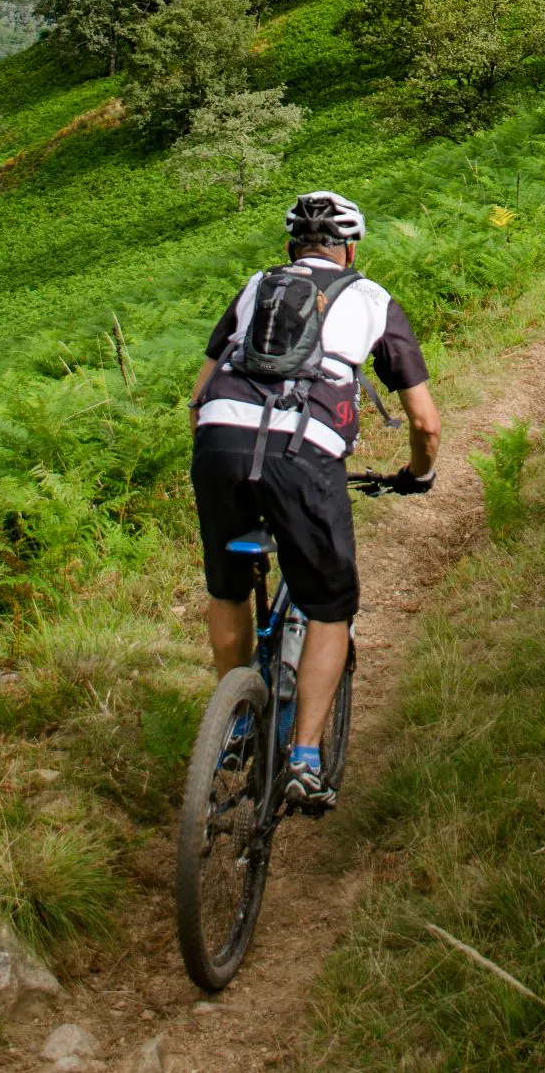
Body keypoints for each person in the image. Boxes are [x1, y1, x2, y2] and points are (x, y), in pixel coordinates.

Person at [188, 189, 441, 814]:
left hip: (219, 441)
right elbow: (426, 423)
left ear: (289, 250)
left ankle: (236, 718)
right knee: (328, 605)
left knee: (227, 588)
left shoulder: (255, 287)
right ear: (351, 249)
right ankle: (303, 755)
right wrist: (417, 474)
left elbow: (198, 393)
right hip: (302, 453)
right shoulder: (372, 298)